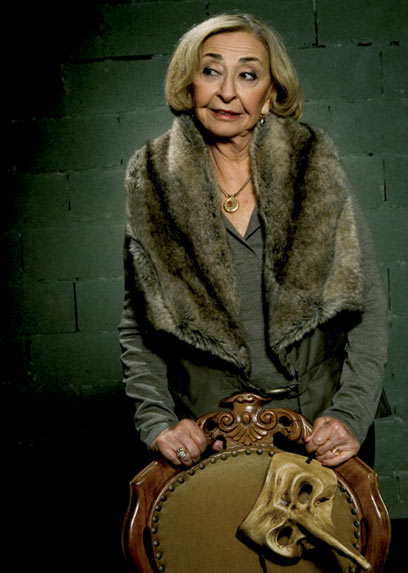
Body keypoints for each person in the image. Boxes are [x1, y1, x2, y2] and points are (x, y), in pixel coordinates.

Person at [119, 13, 389, 470]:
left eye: (247, 75)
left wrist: (350, 415)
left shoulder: (313, 163)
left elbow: (370, 306)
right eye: (211, 71)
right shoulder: (152, 177)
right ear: (189, 85)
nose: (227, 91)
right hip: (212, 440)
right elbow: (138, 327)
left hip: (320, 433)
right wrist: (158, 422)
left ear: (270, 95)